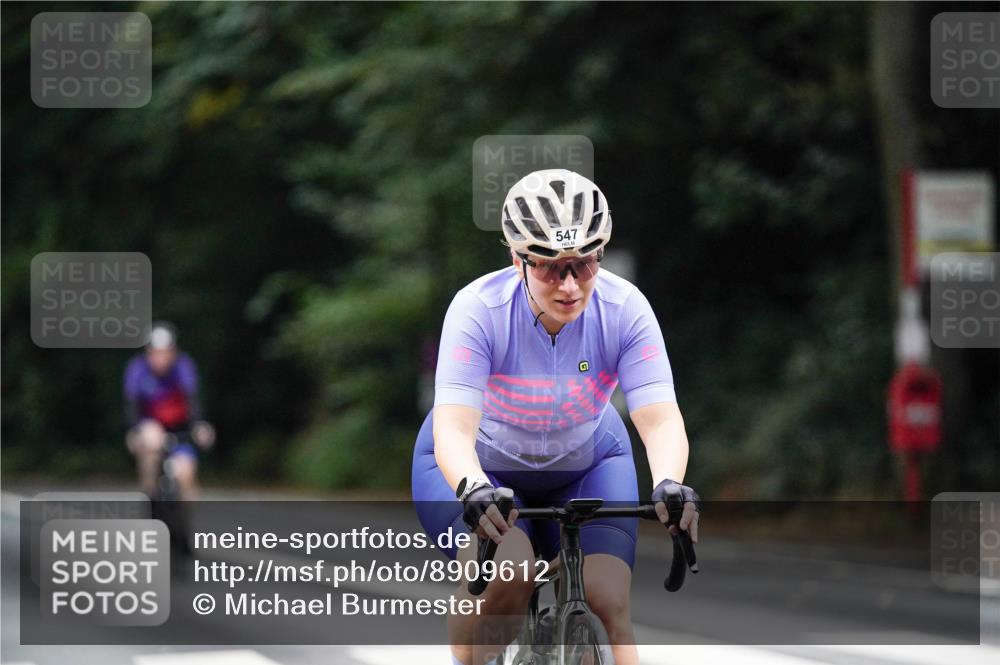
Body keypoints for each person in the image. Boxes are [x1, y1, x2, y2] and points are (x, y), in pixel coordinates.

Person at [412, 169, 701, 665]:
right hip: (480, 465)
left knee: (608, 598)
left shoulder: (625, 308)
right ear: (517, 258)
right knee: (509, 575)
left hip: (587, 461)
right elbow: (454, 429)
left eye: (584, 264)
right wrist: (472, 487)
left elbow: (658, 417)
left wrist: (670, 482)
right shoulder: (478, 308)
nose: (569, 285)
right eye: (550, 267)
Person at [124, 321, 215, 500]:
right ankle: (149, 495)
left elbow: (193, 401)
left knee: (187, 474)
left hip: (180, 431)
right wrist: (134, 431)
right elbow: (131, 406)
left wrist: (201, 426)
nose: (161, 358)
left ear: (174, 352)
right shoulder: (137, 368)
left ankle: (185, 513)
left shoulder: (183, 366)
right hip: (148, 429)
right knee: (151, 442)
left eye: (165, 353)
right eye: (155, 353)